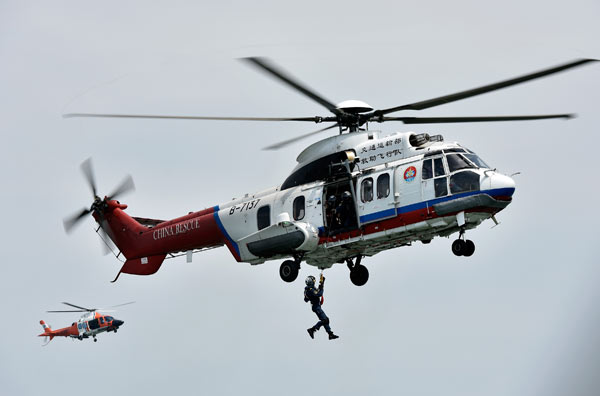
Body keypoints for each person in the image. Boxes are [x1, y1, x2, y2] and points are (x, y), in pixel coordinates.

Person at [304, 273, 339, 340]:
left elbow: (306, 299)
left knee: (325, 320)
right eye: (313, 281)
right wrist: (322, 286)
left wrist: (321, 283)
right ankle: (312, 329)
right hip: (316, 307)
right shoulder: (310, 289)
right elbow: (319, 294)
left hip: (316, 306)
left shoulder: (308, 290)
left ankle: (330, 334)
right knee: (325, 320)